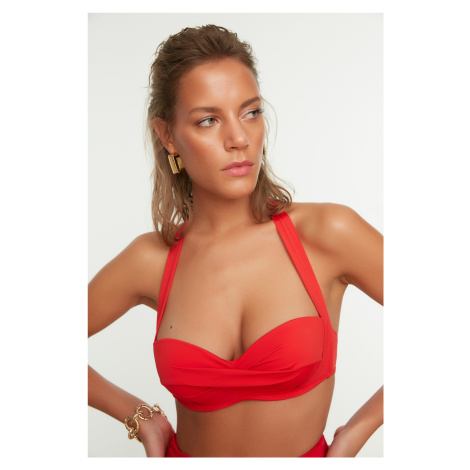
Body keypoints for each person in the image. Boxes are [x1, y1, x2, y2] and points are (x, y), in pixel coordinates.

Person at [88, 24, 383, 457]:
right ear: (167, 136)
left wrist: (356, 433)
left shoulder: (328, 233)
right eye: (208, 120)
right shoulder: (151, 260)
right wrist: (139, 417)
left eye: (250, 112)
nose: (239, 139)